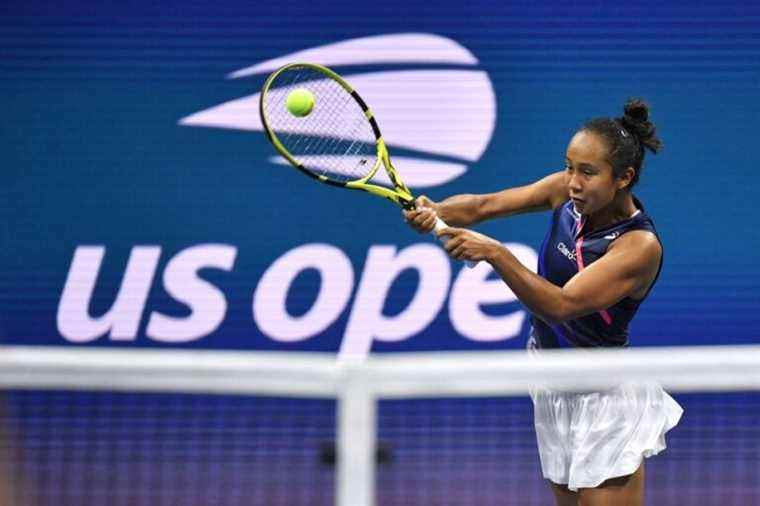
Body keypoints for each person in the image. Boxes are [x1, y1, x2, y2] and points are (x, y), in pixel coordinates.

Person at [403, 98, 683, 506]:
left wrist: (496, 254)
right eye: (569, 167)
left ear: (624, 177)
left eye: (588, 172)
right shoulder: (566, 195)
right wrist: (436, 210)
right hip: (552, 382)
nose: (573, 181)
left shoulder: (637, 246)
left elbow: (561, 305)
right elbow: (484, 206)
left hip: (604, 397)